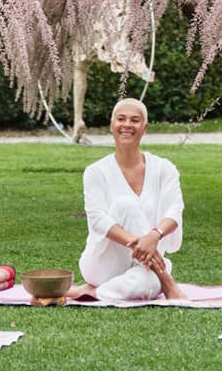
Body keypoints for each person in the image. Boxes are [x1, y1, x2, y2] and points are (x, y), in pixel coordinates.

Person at [70, 97, 186, 301]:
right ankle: (166, 280)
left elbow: (174, 212)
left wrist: (154, 236)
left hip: (144, 264)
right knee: (126, 205)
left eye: (135, 120)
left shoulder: (164, 168)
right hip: (103, 263)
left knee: (147, 283)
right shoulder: (95, 171)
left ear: (145, 128)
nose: (127, 125)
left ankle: (89, 292)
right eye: (121, 119)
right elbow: (98, 220)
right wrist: (139, 243)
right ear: (112, 125)